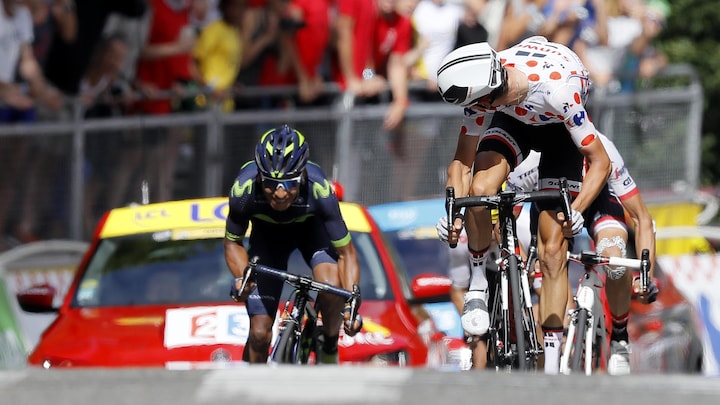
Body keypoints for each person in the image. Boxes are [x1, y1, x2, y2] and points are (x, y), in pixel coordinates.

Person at [436, 35, 612, 374]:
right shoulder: (482, 88)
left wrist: (576, 211)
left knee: (552, 250)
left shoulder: (560, 92)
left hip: (559, 129)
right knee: (481, 188)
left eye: (479, 105)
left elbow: (600, 162)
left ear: (488, 95)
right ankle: (478, 283)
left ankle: (552, 362)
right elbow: (461, 163)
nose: (476, 111)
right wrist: (453, 210)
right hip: (515, 121)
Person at [505, 133, 658, 375]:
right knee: (549, 267)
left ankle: (619, 337)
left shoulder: (605, 150)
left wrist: (645, 276)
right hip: (553, 201)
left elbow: (642, 218)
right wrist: (518, 255)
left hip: (599, 203)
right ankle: (551, 358)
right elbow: (504, 219)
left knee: (615, 260)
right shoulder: (532, 161)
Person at [224, 125, 363, 364]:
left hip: (312, 234)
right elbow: (232, 242)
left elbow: (347, 254)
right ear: (259, 176)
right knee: (259, 333)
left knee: (330, 287)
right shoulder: (243, 190)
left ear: (303, 176)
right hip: (267, 240)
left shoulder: (319, 189)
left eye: (290, 183)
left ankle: (329, 344)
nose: (280, 193)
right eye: (270, 183)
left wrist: (351, 307)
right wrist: (242, 279)